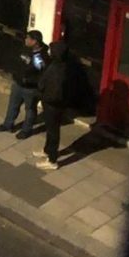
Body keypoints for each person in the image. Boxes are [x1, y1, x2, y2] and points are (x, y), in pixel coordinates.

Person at [0, 30, 49, 139]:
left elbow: (39, 70)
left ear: (35, 42)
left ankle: (26, 130)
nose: (26, 40)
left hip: (30, 88)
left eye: (28, 38)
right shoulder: (24, 48)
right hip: (18, 83)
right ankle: (8, 124)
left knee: (30, 110)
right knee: (13, 105)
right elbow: (17, 61)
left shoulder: (40, 56)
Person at [34, 41, 72, 171]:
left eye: (52, 50)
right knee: (50, 129)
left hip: (53, 104)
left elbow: (55, 90)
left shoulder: (59, 69)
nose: (49, 52)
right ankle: (47, 150)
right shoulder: (57, 65)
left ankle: (52, 159)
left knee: (53, 131)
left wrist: (44, 94)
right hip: (49, 102)